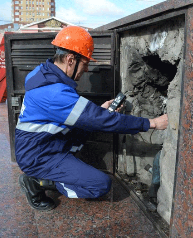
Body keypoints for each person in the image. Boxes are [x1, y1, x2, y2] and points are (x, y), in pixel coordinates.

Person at [15, 26, 169, 211]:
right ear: (70, 59)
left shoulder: (43, 73)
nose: (87, 69)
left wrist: (98, 112)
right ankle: (39, 182)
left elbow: (78, 113)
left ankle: (58, 169)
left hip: (43, 144)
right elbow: (100, 119)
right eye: (85, 63)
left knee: (89, 123)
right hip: (38, 156)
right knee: (100, 185)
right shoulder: (54, 93)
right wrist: (151, 123)